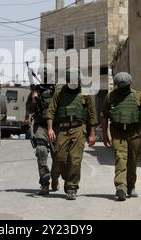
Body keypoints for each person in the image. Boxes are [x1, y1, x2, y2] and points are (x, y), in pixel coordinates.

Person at [102, 72, 141, 201]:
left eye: (125, 87)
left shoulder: (137, 96)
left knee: (132, 160)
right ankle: (121, 186)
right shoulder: (110, 97)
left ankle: (131, 186)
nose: (123, 89)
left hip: (134, 132)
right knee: (121, 158)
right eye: (120, 87)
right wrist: (104, 134)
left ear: (129, 84)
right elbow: (104, 116)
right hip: (118, 133)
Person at [46, 68, 97, 200]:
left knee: (75, 160)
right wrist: (50, 129)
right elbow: (51, 111)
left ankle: (71, 188)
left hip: (79, 129)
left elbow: (92, 114)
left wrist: (92, 134)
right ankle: (57, 176)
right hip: (62, 129)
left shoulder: (85, 92)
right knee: (59, 158)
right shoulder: (59, 91)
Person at [26, 66, 60, 196]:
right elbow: (29, 110)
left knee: (58, 157)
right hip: (41, 126)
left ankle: (55, 178)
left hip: (56, 126)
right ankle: (45, 183)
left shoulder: (58, 89)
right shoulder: (36, 90)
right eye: (43, 75)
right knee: (41, 151)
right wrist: (34, 100)